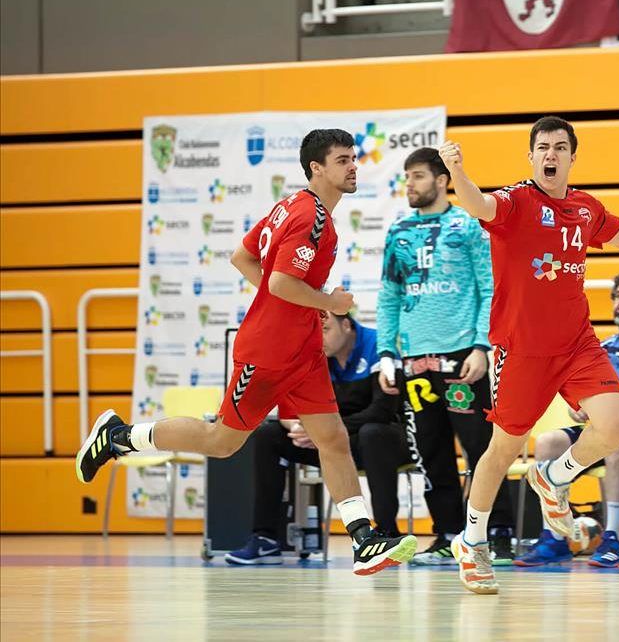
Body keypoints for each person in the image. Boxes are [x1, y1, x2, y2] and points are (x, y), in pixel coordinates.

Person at [75, 129, 417, 574]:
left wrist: (296, 305)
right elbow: (279, 282)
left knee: (332, 438)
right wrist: (328, 303)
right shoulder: (312, 219)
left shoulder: (290, 206)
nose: (353, 166)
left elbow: (243, 257)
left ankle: (363, 540)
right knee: (222, 442)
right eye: (342, 160)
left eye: (354, 158)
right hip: (270, 353)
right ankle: (119, 437)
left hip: (303, 351)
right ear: (316, 168)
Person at [438, 115, 619, 594]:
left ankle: (552, 476)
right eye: (543, 147)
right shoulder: (517, 201)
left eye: (561, 147)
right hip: (521, 350)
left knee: (616, 426)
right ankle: (470, 541)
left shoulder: (583, 208)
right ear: (532, 156)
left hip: (576, 342)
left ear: (572, 157)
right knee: (502, 448)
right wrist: (458, 173)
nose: (551, 155)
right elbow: (479, 203)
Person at [376, 147, 516, 566]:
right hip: (415, 362)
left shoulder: (468, 226)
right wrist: (386, 352)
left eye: (418, 176)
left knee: (481, 448)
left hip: (462, 359)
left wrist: (482, 346)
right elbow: (390, 296)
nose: (410, 185)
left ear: (441, 180)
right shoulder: (397, 232)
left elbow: (489, 289)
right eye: (406, 177)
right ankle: (447, 535)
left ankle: (500, 536)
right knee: (430, 452)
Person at [514, 272, 619, 568]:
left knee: (615, 443)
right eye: (617, 296)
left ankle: (611, 538)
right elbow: (577, 402)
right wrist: (579, 409)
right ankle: (554, 537)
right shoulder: (600, 350)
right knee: (547, 443)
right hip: (597, 429)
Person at [225, 312, 409, 564]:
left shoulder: (378, 346)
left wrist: (323, 431)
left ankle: (385, 534)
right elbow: (287, 408)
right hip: (332, 442)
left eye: (325, 328)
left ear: (346, 325)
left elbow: (382, 411)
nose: (319, 337)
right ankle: (264, 538)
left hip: (385, 439)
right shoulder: (313, 353)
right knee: (269, 435)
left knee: (373, 433)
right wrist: (300, 427)